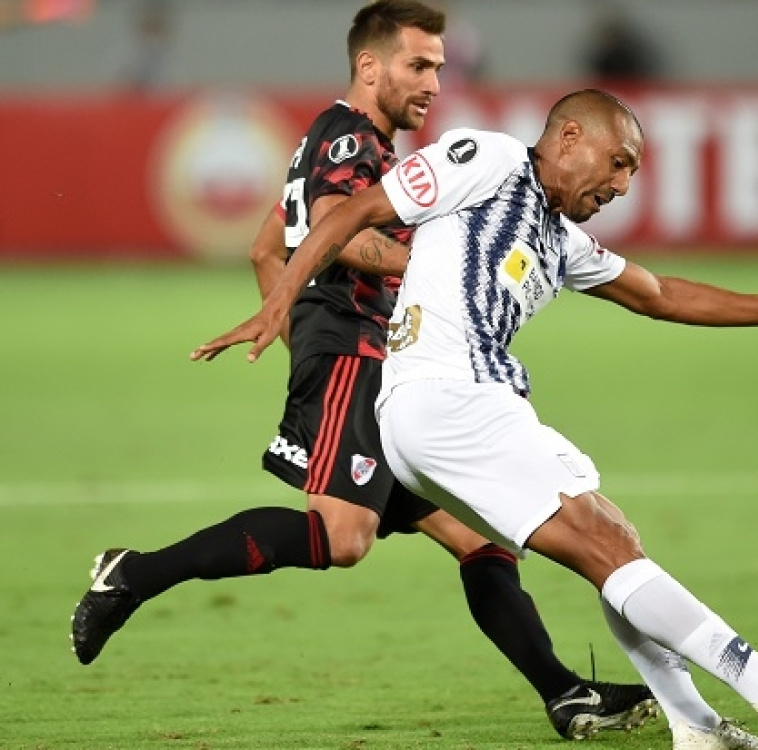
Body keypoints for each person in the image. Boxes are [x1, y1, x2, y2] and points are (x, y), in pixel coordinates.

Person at [190, 88, 758, 750]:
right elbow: (351, 212)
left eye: (631, 173)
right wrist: (280, 300)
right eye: (618, 162)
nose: (622, 185)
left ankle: (695, 725)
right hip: (448, 394)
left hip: (450, 405)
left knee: (613, 536)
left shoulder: (562, 240)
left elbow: (660, 294)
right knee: (601, 541)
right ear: (569, 137)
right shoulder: (490, 160)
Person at [70, 2, 657, 742]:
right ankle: (132, 575)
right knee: (344, 537)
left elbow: (265, 248)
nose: (434, 82)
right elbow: (336, 231)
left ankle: (565, 694)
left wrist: (298, 346)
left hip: (365, 359)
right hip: (361, 348)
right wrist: (434, 272)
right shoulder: (350, 138)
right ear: (370, 66)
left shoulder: (333, 141)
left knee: (479, 538)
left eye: (439, 67)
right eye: (420, 65)